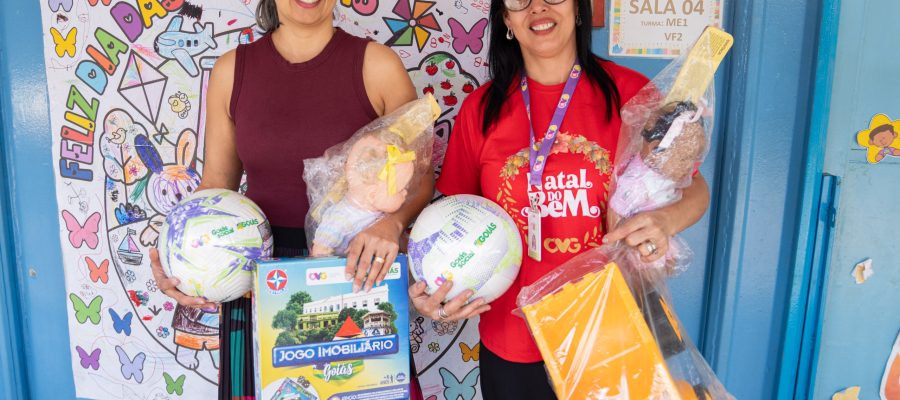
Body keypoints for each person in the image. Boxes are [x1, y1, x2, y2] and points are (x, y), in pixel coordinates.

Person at [408, 0, 711, 399]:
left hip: (611, 327)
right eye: (519, 1)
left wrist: (666, 221)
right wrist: (432, 288)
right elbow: (454, 226)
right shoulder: (480, 110)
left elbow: (694, 189)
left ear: (579, 9)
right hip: (513, 338)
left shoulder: (631, 93)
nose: (537, 8)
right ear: (506, 20)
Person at [148, 0, 430, 398]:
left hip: (352, 276)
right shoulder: (232, 71)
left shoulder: (377, 65)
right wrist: (177, 257)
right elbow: (216, 186)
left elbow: (417, 181)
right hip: (255, 282)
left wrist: (391, 223)